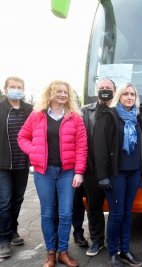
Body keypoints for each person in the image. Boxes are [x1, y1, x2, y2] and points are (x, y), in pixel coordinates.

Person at [17, 80, 87, 267]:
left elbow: (82, 147)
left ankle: (63, 252)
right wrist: (33, 150)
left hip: (67, 172)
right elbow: (22, 137)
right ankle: (50, 253)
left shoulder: (75, 118)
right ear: (50, 93)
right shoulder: (36, 116)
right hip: (44, 172)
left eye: (66, 92)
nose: (63, 95)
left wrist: (79, 172)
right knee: (48, 214)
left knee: (65, 213)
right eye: (59, 91)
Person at [94, 83, 142, 267]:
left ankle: (125, 250)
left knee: (127, 213)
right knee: (116, 214)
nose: (129, 97)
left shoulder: (138, 118)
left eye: (132, 94)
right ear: (119, 96)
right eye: (125, 94)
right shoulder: (109, 116)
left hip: (133, 173)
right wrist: (102, 176)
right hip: (115, 174)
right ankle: (113, 253)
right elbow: (100, 148)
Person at [82, 78, 116, 256]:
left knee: (115, 209)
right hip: (92, 169)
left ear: (114, 90)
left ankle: (113, 242)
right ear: (97, 90)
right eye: (101, 87)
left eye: (108, 88)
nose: (104, 90)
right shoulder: (85, 111)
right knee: (94, 207)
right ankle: (96, 241)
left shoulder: (119, 110)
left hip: (115, 171)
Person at [0, 76, 33, 259]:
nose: (16, 90)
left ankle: (12, 230)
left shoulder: (29, 110)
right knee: (4, 201)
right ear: (5, 89)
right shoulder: (0, 108)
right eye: (12, 87)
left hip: (22, 163)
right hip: (3, 163)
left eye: (19, 87)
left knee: (17, 199)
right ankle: (4, 240)